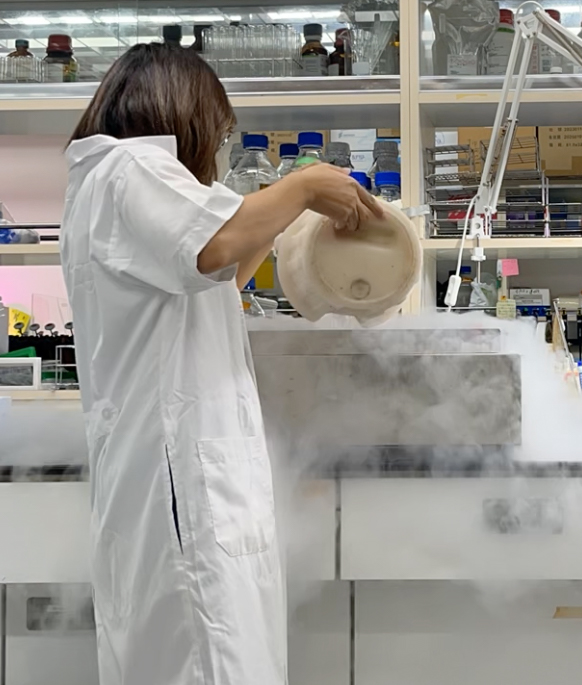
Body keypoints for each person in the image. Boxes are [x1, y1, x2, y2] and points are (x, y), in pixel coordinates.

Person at [60, 43, 383, 685]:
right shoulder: (131, 168)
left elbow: (218, 274)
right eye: (219, 126)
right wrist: (304, 184)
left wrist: (280, 210)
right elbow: (212, 247)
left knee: (190, 653)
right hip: (181, 485)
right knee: (206, 659)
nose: (218, 142)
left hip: (171, 479)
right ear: (185, 112)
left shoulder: (101, 183)